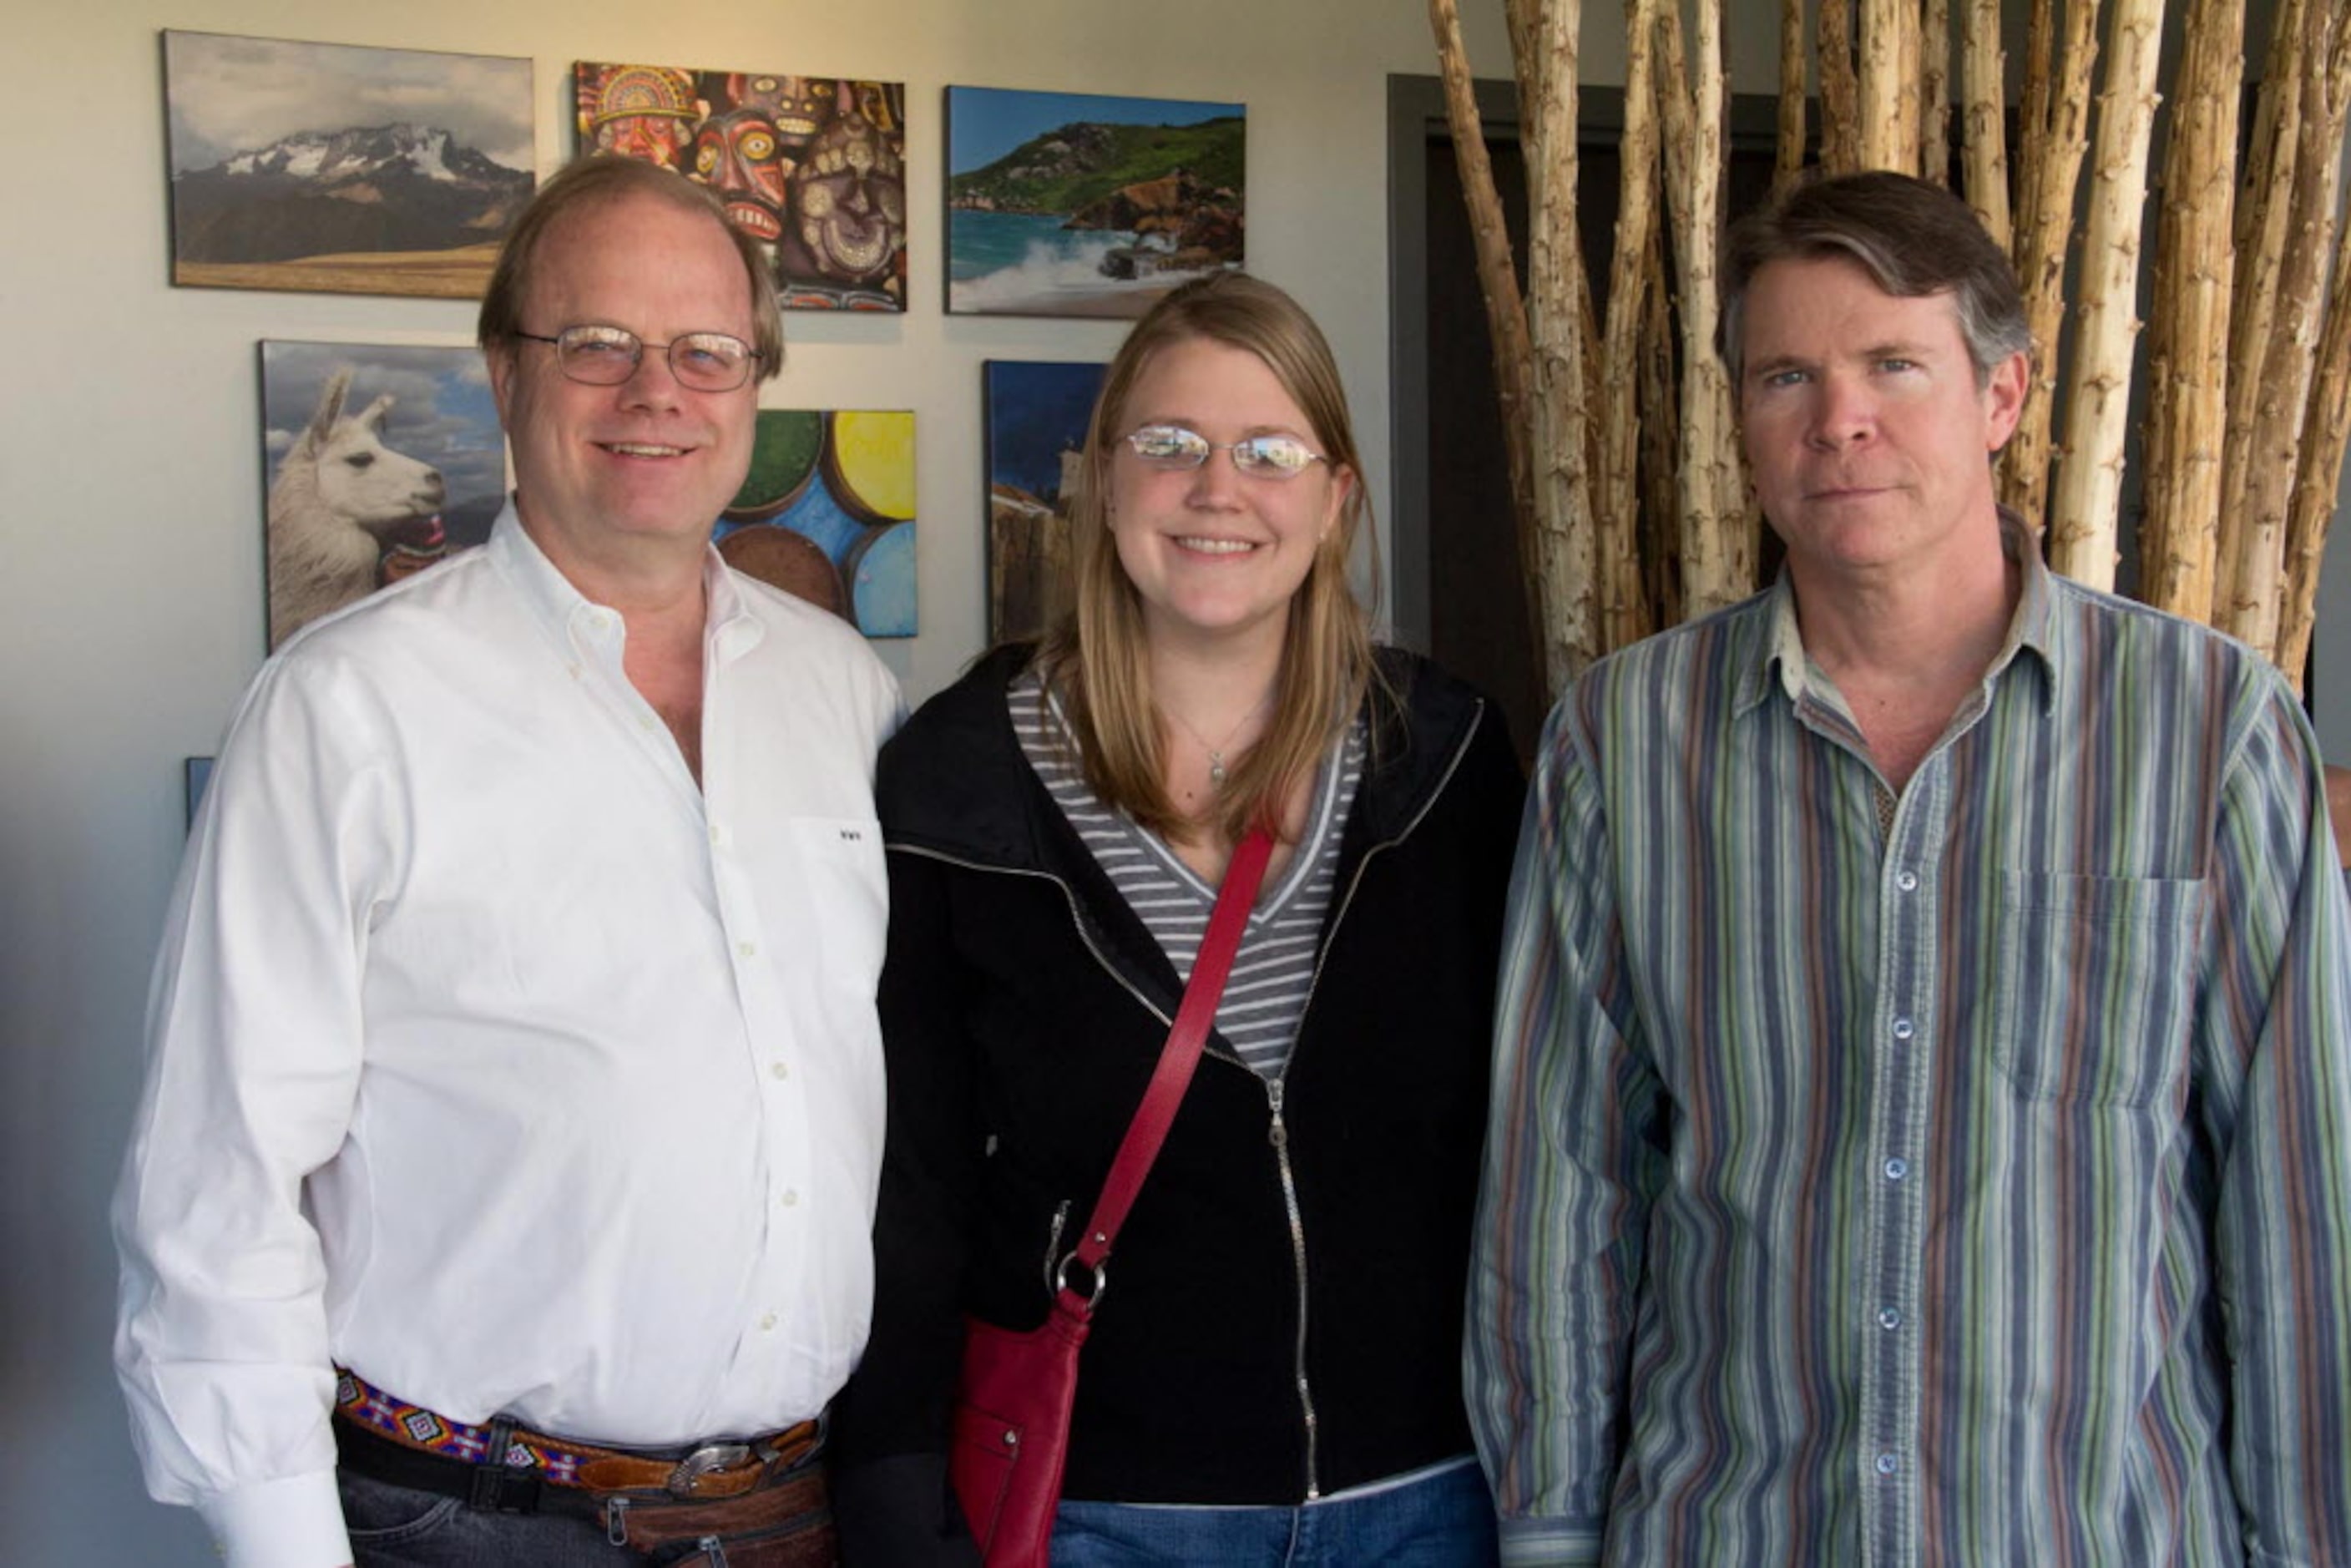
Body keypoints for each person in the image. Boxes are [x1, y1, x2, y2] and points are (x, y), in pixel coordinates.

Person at [1467, 168, 2351, 1565]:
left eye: (1895, 363)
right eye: (1785, 377)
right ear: (1744, 426)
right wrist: (1551, 1525)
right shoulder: (1623, 743)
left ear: (2001, 397)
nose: (1840, 421)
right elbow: (1564, 1179)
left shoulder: (2214, 730)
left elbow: (2301, 1209)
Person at [114, 153, 902, 1568]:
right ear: (503, 371)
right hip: (472, 1524)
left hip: (791, 1512)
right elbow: (214, 1184)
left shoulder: (844, 693)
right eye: (596, 342)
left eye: (705, 350)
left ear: (754, 381)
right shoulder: (345, 706)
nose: (656, 390)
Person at [828, 272, 1523, 1564]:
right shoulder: (958, 780)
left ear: (1337, 495)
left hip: (1432, 1494)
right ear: (1098, 479)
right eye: (1169, 445)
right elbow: (907, 1188)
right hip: (1103, 1506)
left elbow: (1550, 1143)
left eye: (1270, 451)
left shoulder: (1450, 756)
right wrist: (891, 1496)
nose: (1219, 489)